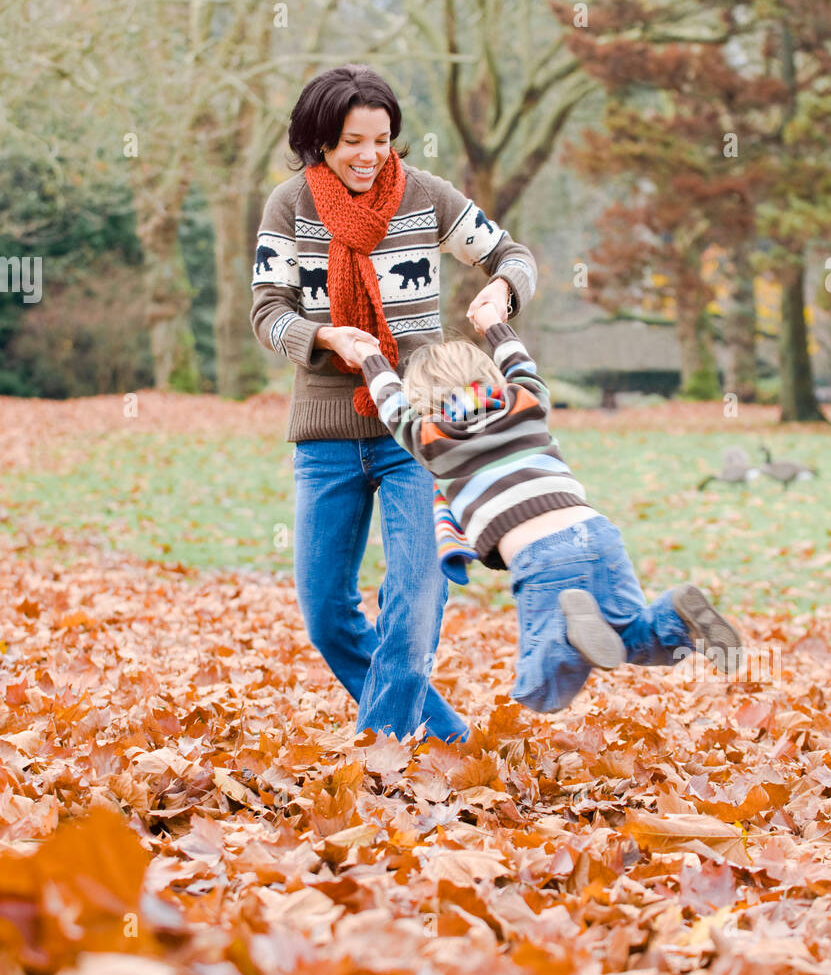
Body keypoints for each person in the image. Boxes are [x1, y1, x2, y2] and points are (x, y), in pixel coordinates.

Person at [250, 63, 538, 742]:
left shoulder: (425, 198)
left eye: (381, 139)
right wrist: (324, 336)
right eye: (353, 141)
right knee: (325, 613)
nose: (369, 155)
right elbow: (267, 312)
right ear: (320, 140)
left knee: (414, 603)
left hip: (420, 426)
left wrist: (504, 292)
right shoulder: (288, 207)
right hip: (325, 434)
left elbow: (511, 253)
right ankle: (446, 736)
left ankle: (380, 761)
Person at [354, 303, 743, 715]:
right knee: (632, 637)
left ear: (422, 402)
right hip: (597, 533)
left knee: (540, 685)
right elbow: (521, 365)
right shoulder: (526, 402)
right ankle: (676, 613)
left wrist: (370, 358)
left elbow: (391, 405)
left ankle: (568, 637)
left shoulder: (430, 438)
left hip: (540, 557)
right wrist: (495, 326)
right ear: (489, 376)